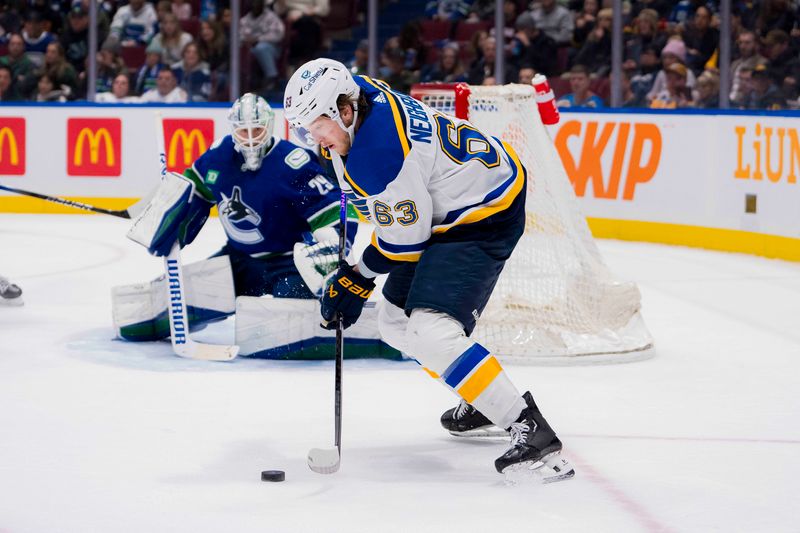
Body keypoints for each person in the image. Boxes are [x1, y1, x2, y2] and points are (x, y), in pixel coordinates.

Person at [283, 59, 574, 481]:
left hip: (485, 213)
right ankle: (484, 399)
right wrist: (358, 273)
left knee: (431, 331)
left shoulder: (378, 155)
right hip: (451, 202)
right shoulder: (360, 96)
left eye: (317, 124)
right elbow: (401, 220)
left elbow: (406, 242)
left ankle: (531, 431)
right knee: (394, 321)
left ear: (345, 112)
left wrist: (357, 277)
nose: (314, 137)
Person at [120, 93, 358, 342]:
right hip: (239, 260)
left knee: (290, 318)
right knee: (176, 299)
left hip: (288, 264)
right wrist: (170, 215)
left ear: (269, 125)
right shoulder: (218, 157)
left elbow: (332, 209)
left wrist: (334, 245)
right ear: (233, 129)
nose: (251, 138)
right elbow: (193, 192)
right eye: (244, 131)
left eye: (257, 129)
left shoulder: (292, 162)